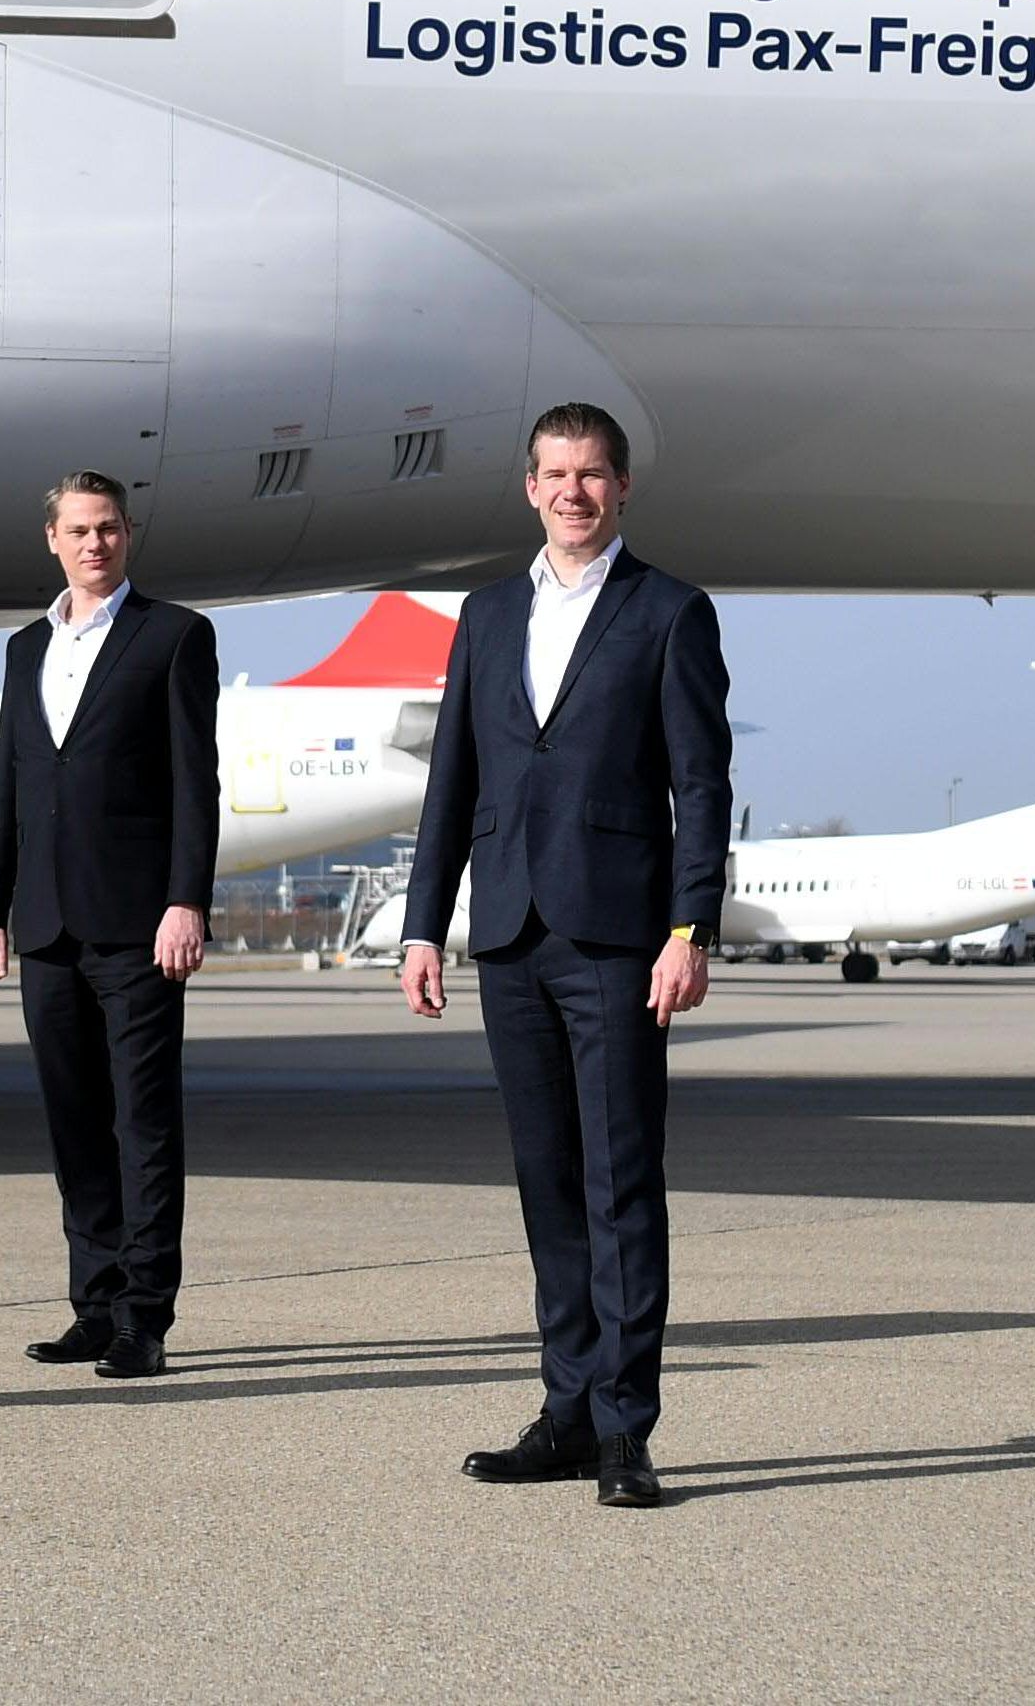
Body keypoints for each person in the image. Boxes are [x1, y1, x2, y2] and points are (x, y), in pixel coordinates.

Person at [398, 402, 730, 1510]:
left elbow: (701, 786)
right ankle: (568, 1413)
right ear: (528, 487)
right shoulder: (486, 615)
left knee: (620, 1185)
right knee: (547, 1187)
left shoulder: (671, 612)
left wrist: (691, 930)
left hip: (621, 942)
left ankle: (627, 1431)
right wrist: (421, 922)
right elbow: (454, 780)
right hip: (511, 937)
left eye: (593, 474)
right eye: (555, 474)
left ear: (621, 488)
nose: (574, 492)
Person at [0, 471, 220, 1381]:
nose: (94, 544)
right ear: (52, 539)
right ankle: (94, 1303)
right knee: (74, 1123)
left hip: (139, 924)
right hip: (44, 925)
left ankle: (144, 1318)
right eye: (78, 530)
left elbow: (198, 784)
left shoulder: (175, 637)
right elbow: (11, 785)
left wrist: (186, 900)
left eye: (108, 528)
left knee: (143, 1125)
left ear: (128, 534)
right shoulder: (25, 645)